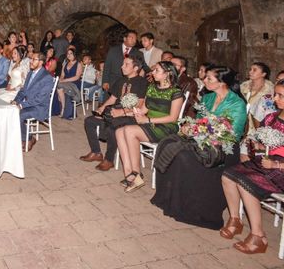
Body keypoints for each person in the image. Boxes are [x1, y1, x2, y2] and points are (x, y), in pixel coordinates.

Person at [150, 66, 247, 230]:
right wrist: (192, 127)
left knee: (183, 156)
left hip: (224, 147)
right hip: (202, 139)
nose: (205, 80)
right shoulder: (208, 97)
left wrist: (204, 131)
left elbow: (233, 134)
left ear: (222, 82)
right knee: (167, 143)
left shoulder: (236, 103)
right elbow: (200, 119)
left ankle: (193, 208)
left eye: (209, 78)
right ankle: (169, 198)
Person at [220, 79, 284, 254]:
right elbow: (263, 139)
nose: (274, 99)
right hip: (267, 162)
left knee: (246, 182)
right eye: (276, 94)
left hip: (280, 168)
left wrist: (276, 163)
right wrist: (259, 145)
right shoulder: (271, 117)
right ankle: (235, 219)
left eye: (280, 96)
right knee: (228, 174)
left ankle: (258, 235)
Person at [115, 61, 184, 192]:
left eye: (157, 70)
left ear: (167, 73)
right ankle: (129, 174)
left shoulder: (176, 92)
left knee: (129, 131)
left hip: (166, 127)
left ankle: (137, 174)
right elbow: (145, 109)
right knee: (119, 131)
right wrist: (137, 111)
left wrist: (148, 120)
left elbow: (173, 118)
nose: (153, 72)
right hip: (149, 122)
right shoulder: (152, 87)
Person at [80, 56, 148, 171]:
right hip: (115, 112)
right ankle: (96, 152)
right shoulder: (121, 80)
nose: (122, 67)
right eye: (123, 64)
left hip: (131, 116)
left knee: (113, 127)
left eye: (126, 64)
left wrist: (121, 112)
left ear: (135, 68)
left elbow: (140, 106)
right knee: (90, 121)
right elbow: (113, 98)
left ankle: (109, 159)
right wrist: (102, 108)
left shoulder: (142, 83)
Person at [12, 52, 55, 151]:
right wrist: (16, 101)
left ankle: (29, 138)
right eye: (31, 59)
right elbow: (23, 90)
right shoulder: (30, 73)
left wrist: (22, 105)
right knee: (12, 110)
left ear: (41, 62)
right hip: (30, 104)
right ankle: (19, 137)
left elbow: (40, 98)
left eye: (34, 60)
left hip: (39, 107)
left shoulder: (47, 77)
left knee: (18, 114)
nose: (31, 61)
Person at [240, 62, 274, 129]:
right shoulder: (243, 86)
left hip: (258, 122)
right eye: (250, 69)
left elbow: (269, 111)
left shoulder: (270, 89)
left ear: (263, 74)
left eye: (254, 70)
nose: (250, 72)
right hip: (243, 119)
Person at [57, 48, 83, 118]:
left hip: (74, 84)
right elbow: (62, 75)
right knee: (58, 86)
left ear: (74, 54)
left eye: (71, 53)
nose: (69, 55)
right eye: (68, 53)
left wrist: (63, 81)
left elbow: (77, 77)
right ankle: (62, 109)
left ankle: (63, 109)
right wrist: (60, 79)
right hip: (65, 84)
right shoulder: (65, 63)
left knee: (59, 87)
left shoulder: (79, 64)